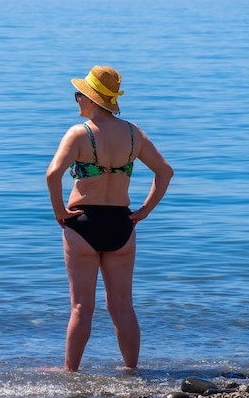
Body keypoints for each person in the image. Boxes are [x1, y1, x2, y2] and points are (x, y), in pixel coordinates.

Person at [46, 66, 173, 372]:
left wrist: (60, 212)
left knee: (80, 308)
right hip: (121, 224)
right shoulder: (133, 133)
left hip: (83, 224)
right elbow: (165, 172)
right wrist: (144, 211)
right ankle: (131, 370)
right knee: (122, 306)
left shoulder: (79, 133)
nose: (76, 100)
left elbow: (53, 174)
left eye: (79, 95)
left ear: (91, 99)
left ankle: (70, 374)